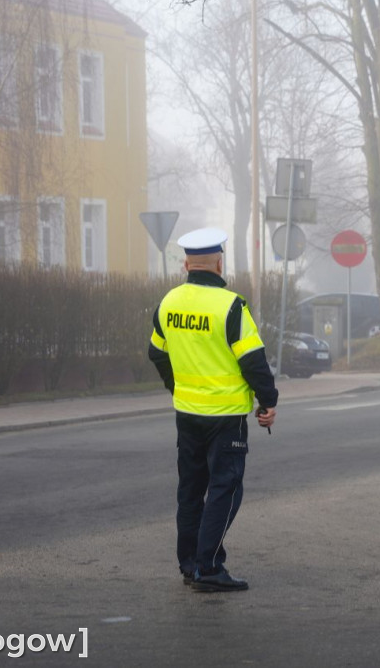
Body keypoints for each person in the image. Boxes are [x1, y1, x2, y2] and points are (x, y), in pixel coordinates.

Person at [148, 227, 278, 593]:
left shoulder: (169, 303)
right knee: (226, 489)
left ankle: (190, 564)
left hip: (187, 413)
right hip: (225, 417)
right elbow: (253, 361)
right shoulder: (231, 306)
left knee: (190, 491)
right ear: (220, 264)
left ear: (186, 265)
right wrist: (268, 401)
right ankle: (208, 567)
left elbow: (156, 352)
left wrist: (177, 387)